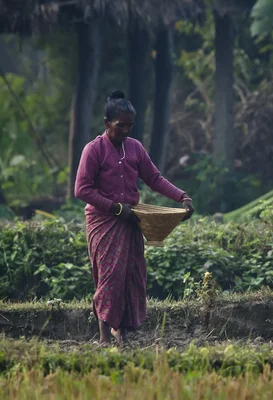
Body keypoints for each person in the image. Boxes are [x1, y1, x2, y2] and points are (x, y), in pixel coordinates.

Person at [74, 90, 195, 347]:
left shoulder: (135, 148)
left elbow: (154, 178)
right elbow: (82, 190)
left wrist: (181, 197)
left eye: (130, 125)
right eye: (120, 125)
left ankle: (123, 333)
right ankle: (104, 337)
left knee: (132, 274)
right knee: (110, 276)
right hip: (104, 221)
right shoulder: (93, 150)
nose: (126, 130)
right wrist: (116, 208)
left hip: (132, 220)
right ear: (107, 123)